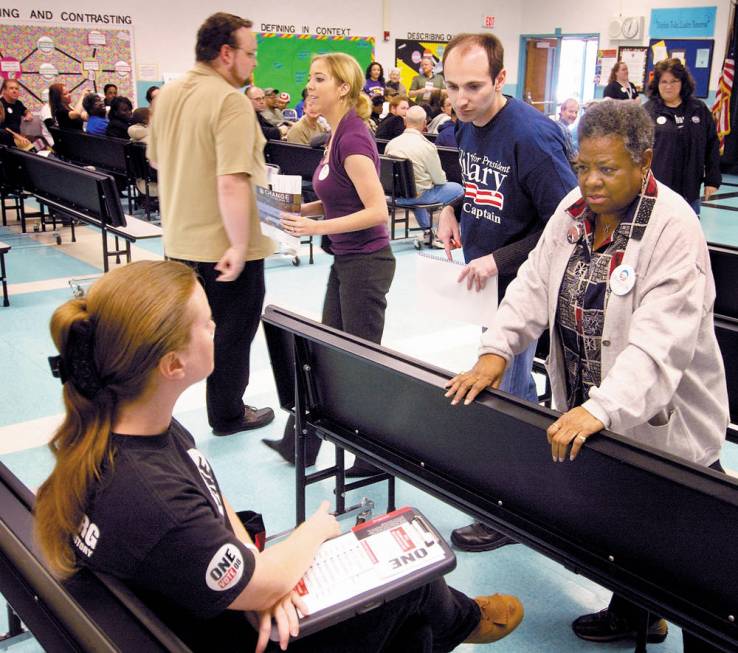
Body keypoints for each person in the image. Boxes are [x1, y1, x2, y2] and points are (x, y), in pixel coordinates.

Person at [35, 259, 524, 653]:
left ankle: (457, 620)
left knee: (407, 617)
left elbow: (208, 494)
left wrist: (256, 577)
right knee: (406, 587)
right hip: (226, 636)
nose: (218, 329)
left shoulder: (128, 422)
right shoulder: (151, 498)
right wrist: (314, 532)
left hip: (211, 612)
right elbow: (191, 526)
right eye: (207, 323)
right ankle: (467, 620)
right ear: (172, 364)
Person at [444, 99, 728, 652]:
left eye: (608, 169)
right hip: (593, 397)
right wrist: (495, 350)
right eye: (582, 168)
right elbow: (531, 284)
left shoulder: (674, 228)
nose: (591, 182)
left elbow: (656, 344)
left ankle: (697, 629)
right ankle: (636, 613)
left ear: (645, 162)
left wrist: (600, 408)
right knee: (625, 516)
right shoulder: (574, 212)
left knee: (690, 547)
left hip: (668, 418)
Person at [438, 32, 577, 553]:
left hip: (523, 289)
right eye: (452, 87)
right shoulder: (466, 124)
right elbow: (471, 184)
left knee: (509, 396)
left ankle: (514, 510)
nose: (461, 98)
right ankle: (517, 493)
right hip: (487, 284)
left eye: (474, 86)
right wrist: (450, 208)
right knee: (505, 391)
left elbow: (567, 222)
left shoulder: (533, 136)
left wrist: (499, 258)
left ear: (501, 79)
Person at [262, 52, 396, 477]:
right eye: (309, 78)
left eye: (319, 79)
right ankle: (300, 444)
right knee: (324, 353)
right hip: (347, 260)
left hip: (367, 263)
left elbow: (377, 211)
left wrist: (312, 228)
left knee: (359, 361)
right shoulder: (335, 133)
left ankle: (374, 459)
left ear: (343, 88)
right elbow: (342, 197)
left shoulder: (353, 138)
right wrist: (303, 210)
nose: (310, 87)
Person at [148, 12, 275, 436]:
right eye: (251, 54)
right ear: (226, 53)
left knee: (182, 334)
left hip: (178, 240)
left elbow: (154, 158)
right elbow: (232, 180)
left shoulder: (168, 94)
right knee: (233, 336)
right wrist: (239, 246)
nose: (253, 64)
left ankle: (158, 415)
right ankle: (228, 415)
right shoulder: (229, 100)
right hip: (221, 246)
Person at [643, 57, 720, 215]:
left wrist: (712, 180)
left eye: (674, 81)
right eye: (664, 82)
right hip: (653, 192)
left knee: (687, 237)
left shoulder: (699, 109)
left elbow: (712, 145)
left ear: (683, 82)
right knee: (646, 236)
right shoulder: (647, 111)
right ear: (657, 84)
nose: (669, 86)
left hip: (690, 191)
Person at [385, 105, 463, 246]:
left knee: (416, 191)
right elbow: (439, 180)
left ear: (405, 122)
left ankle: (428, 231)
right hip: (419, 196)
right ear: (424, 124)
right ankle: (442, 231)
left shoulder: (391, 144)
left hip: (396, 197)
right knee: (458, 189)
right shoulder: (427, 147)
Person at [557, 97, 579, 162]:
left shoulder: (556, 125)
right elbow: (573, 157)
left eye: (576, 112)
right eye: (571, 111)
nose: (574, 115)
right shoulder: (564, 130)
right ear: (562, 111)